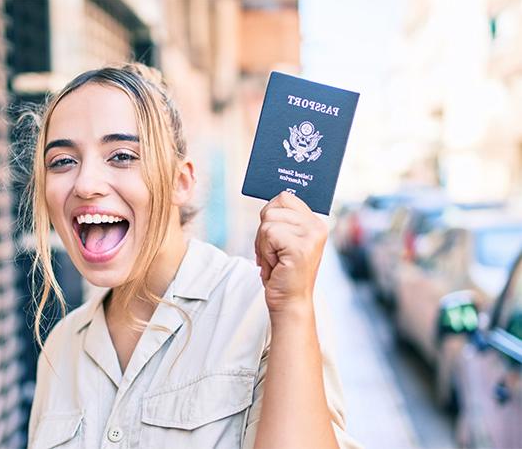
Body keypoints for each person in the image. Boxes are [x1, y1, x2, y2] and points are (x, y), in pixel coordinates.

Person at [25, 62, 360, 449]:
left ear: (181, 182)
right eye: (62, 161)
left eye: (121, 156)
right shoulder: (60, 345)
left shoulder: (265, 308)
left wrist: (292, 308)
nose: (85, 184)